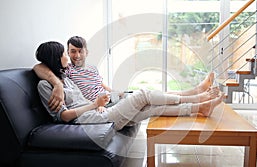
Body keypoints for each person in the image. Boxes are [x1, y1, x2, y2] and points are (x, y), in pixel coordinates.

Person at [35, 41, 225, 130]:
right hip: (92, 118)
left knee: (151, 108)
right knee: (143, 94)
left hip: (98, 111)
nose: (69, 57)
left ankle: (200, 107)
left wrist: (99, 104)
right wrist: (95, 104)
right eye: (66, 53)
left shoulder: (62, 78)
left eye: (77, 52)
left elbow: (80, 98)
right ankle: (196, 96)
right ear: (55, 57)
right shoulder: (46, 85)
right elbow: (65, 116)